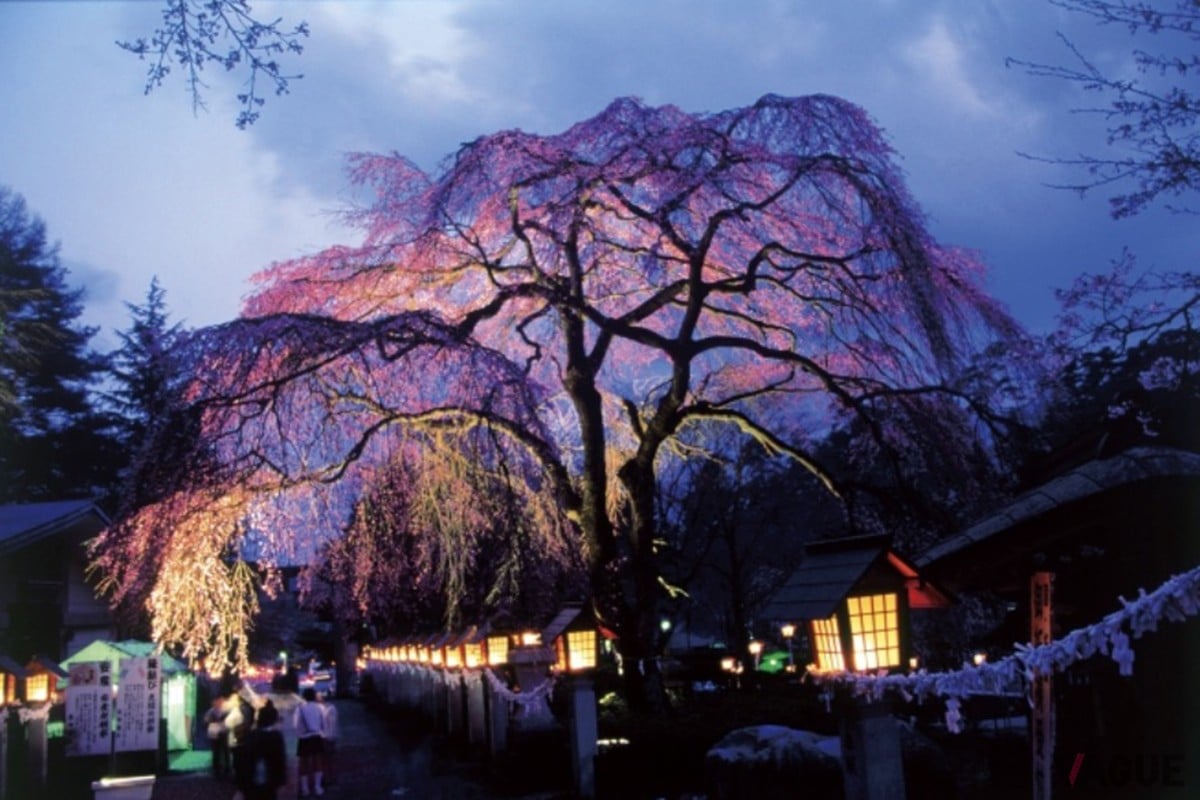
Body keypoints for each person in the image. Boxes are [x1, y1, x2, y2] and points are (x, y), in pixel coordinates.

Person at [243, 700, 287, 800]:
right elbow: (280, 759)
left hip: (253, 776)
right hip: (271, 776)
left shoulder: (252, 735)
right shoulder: (276, 736)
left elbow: (245, 757)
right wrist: (282, 780)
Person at [292, 687, 326, 796]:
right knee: (318, 762)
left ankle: (305, 788)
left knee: (304, 764)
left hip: (304, 738)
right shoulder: (320, 708)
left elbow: (296, 725)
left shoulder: (300, 709)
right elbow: (323, 723)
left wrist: (299, 734)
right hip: (317, 736)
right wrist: (322, 733)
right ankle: (317, 786)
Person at [204, 695, 231, 778]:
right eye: (218, 701)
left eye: (221, 701)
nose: (220, 702)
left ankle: (227, 769)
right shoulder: (211, 711)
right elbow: (206, 721)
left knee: (225, 752)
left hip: (224, 733)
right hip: (215, 734)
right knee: (216, 752)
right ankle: (217, 770)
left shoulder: (226, 711)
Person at [317, 691, 338, 786]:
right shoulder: (322, 708)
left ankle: (330, 778)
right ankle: (327, 778)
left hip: (328, 738)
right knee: (325, 760)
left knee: (328, 759)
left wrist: (329, 737)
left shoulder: (331, 709)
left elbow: (332, 726)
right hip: (324, 737)